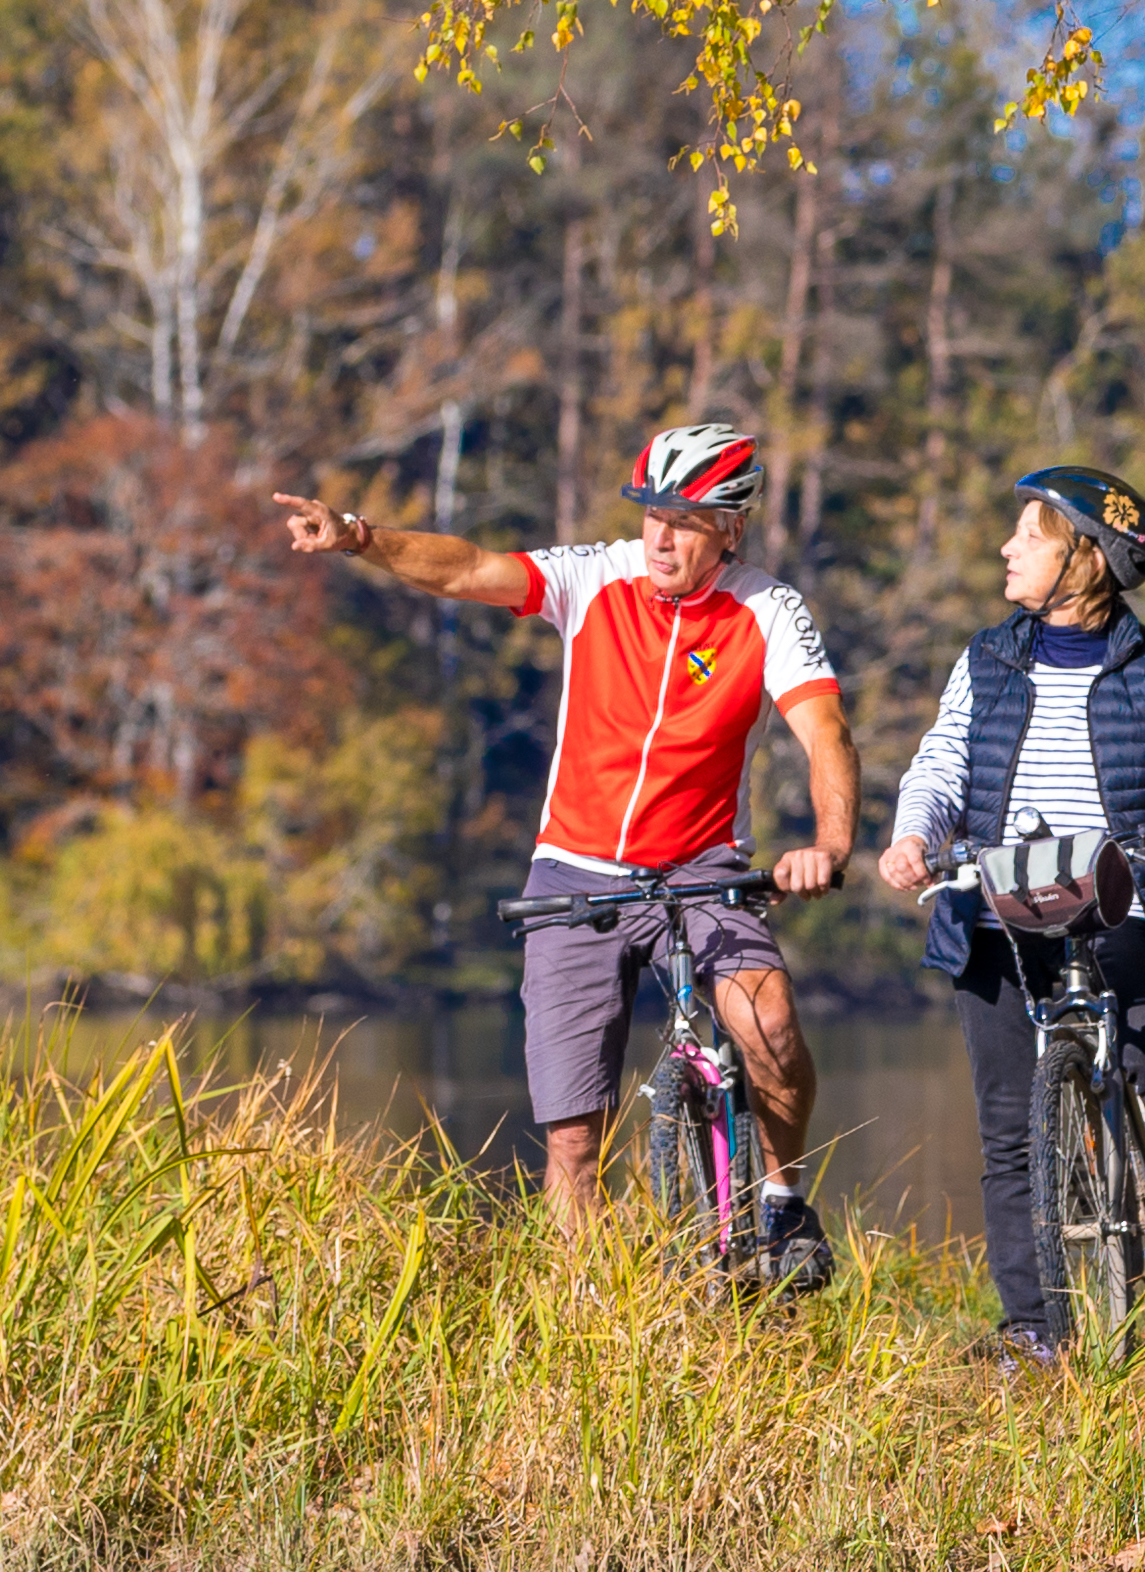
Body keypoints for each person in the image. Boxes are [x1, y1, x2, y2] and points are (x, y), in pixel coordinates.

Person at [276, 424, 857, 1281]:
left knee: (766, 1020)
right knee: (575, 1142)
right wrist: (359, 535)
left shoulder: (769, 609)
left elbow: (824, 730)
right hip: (576, 870)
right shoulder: (597, 577)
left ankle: (780, 1205)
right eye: (653, 515)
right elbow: (469, 569)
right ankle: (585, 1319)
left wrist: (829, 846)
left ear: (732, 529)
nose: (661, 538)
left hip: (704, 867)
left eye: (686, 522)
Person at [878, 467, 1145, 1359]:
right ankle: (1032, 1330)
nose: (1006, 548)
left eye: (1029, 536)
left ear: (1085, 558)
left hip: (1108, 896)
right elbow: (942, 761)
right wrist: (912, 835)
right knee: (1009, 1128)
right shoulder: (987, 657)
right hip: (992, 911)